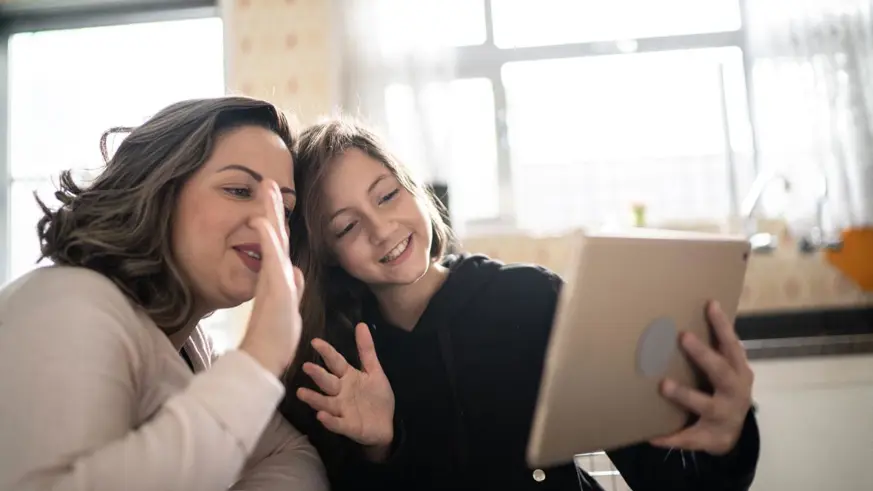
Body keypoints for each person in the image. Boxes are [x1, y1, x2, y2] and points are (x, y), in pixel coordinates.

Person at [280, 119, 761, 491]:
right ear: (328, 256)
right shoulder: (338, 367)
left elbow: (664, 477)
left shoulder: (531, 301)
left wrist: (726, 439)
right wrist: (381, 448)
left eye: (387, 195)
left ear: (415, 190)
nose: (381, 228)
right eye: (346, 227)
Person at [0, 96, 328, 491]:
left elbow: (293, 454)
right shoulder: (68, 304)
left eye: (284, 210)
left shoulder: (194, 347)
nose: (270, 224)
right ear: (160, 190)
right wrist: (260, 357)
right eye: (240, 190)